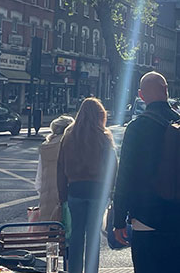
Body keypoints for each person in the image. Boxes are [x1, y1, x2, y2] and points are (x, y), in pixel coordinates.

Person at [113, 72, 180, 273]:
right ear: (166, 90)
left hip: (147, 216)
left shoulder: (138, 127)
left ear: (141, 95)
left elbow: (125, 175)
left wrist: (119, 219)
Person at [57, 98, 117, 273]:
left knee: (76, 236)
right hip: (97, 192)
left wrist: (62, 196)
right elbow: (113, 167)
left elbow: (60, 167)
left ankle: (74, 271)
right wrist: (111, 191)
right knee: (93, 237)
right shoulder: (103, 136)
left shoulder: (69, 136)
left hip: (75, 190)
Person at [36, 115, 74, 222]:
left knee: (50, 233)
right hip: (64, 197)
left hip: (46, 197)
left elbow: (39, 178)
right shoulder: (69, 145)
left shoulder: (45, 146)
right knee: (67, 232)